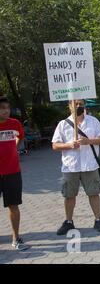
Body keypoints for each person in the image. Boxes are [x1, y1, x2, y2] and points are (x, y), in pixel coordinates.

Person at [52, 99, 100, 235]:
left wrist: (89, 141)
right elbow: (55, 145)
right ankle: (69, 221)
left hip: (89, 164)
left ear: (84, 106)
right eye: (75, 104)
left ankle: (98, 219)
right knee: (69, 195)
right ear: (69, 106)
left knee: (94, 193)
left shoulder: (93, 121)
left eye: (81, 104)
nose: (78, 106)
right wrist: (69, 145)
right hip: (71, 166)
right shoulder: (63, 124)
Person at [0, 96, 29, 250]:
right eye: (2, 108)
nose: (5, 110)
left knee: (13, 206)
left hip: (12, 172)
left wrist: (13, 149)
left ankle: (15, 238)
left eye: (7, 107)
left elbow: (20, 137)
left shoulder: (15, 124)